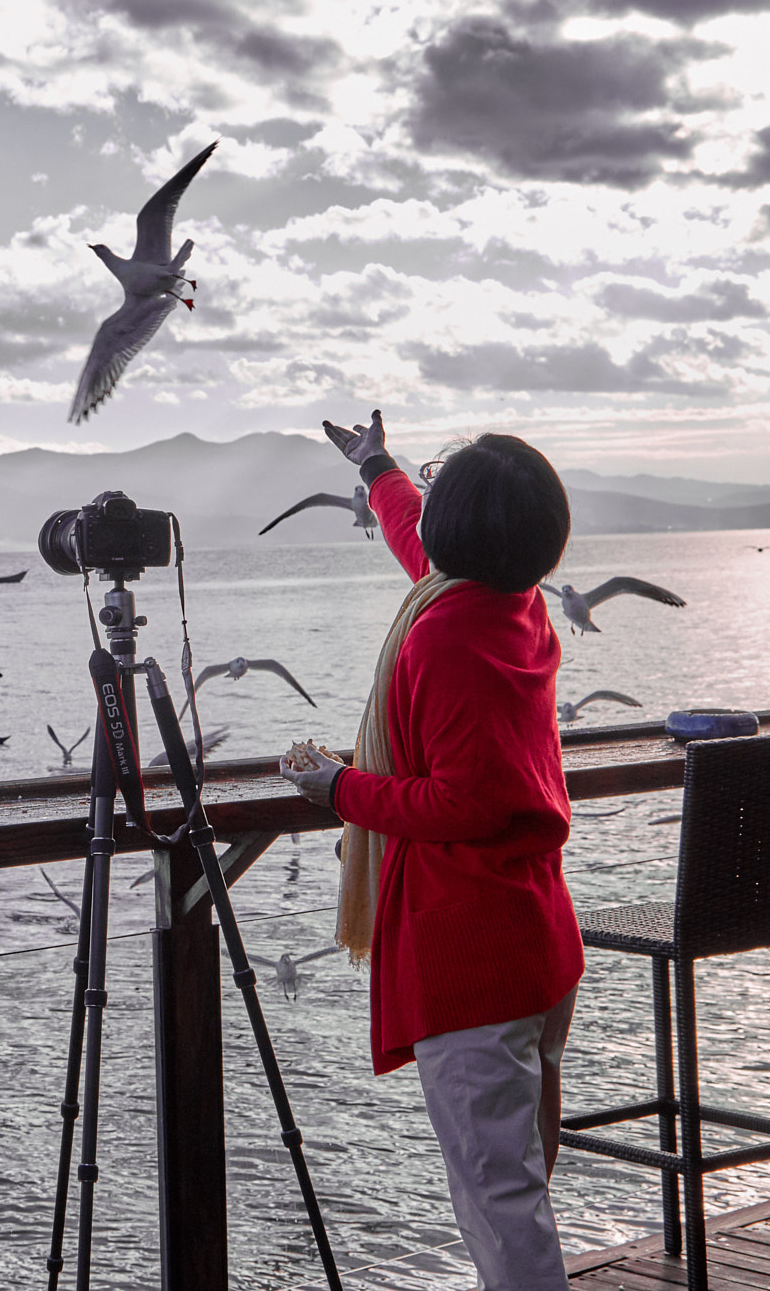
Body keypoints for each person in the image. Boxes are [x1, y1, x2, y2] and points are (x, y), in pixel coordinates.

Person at [279, 409, 583, 1291]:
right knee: (520, 1182)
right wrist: (378, 468)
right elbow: (422, 545)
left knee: (501, 1202)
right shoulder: (509, 604)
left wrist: (336, 788)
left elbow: (466, 799)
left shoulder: (447, 631)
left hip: (471, 947)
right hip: (535, 937)